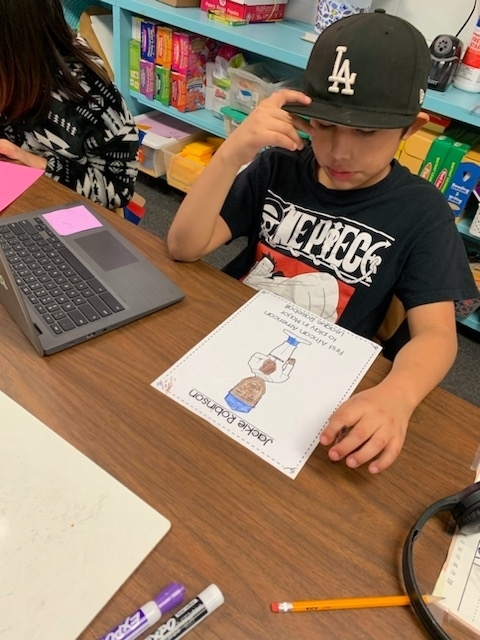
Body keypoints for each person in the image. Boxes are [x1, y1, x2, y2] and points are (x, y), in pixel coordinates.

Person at [167, 10, 479, 475]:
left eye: (366, 132)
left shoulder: (421, 211)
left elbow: (436, 335)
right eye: (324, 124)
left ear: (410, 129)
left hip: (317, 379)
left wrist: (398, 395)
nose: (339, 151)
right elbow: (184, 246)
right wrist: (232, 153)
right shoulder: (278, 166)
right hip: (228, 340)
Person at [0, 0, 139, 211]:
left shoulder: (87, 91)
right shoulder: (13, 70)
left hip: (62, 207)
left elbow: (119, 188)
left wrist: (36, 163)